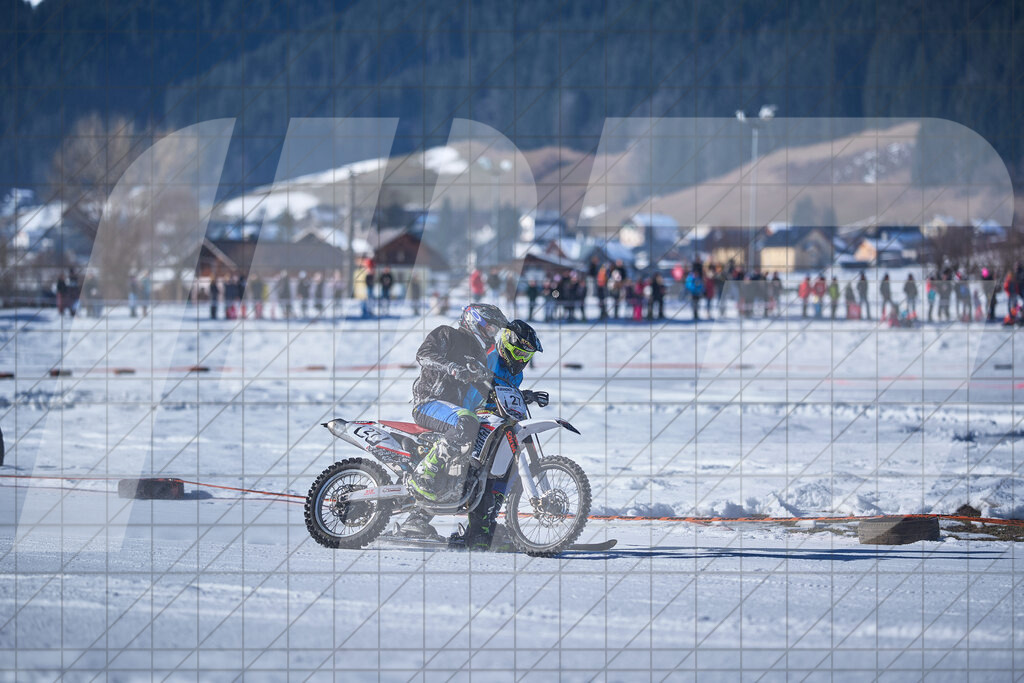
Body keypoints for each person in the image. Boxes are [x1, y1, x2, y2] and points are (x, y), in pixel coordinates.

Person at [401, 303, 510, 539]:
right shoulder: (447, 334)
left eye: (495, 330)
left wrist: (517, 396)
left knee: (474, 453)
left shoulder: (479, 354)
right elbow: (424, 355)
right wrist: (452, 368)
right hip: (429, 402)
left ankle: (418, 519)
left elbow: (487, 387)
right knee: (466, 422)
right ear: (475, 322)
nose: (492, 334)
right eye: (490, 328)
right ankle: (425, 474)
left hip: (453, 412)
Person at [449, 320, 547, 551]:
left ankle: (484, 525)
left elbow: (505, 393)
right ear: (508, 345)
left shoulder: (516, 372)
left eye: (528, 356)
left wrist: (527, 395)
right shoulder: (489, 358)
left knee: (506, 469)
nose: (523, 361)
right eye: (521, 354)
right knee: (479, 469)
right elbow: (471, 397)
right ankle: (471, 525)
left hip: (497, 424)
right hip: (467, 418)